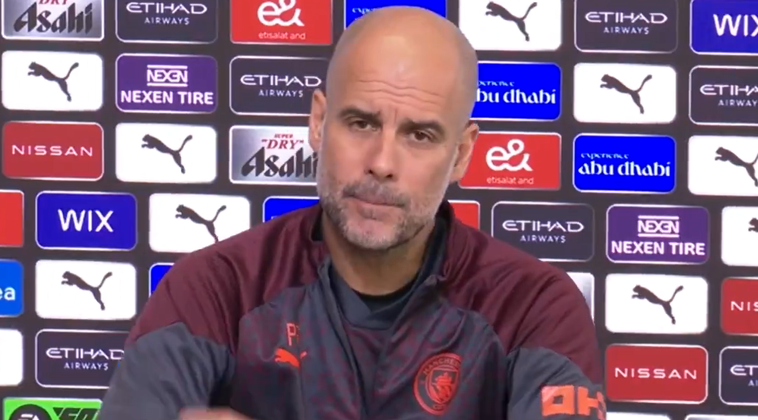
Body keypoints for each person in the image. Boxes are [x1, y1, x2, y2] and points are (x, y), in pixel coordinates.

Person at [100, 6, 603, 420]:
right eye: (361, 123)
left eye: (419, 135)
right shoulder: (216, 289)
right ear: (318, 122)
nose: (382, 163)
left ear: (462, 153)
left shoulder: (533, 307)